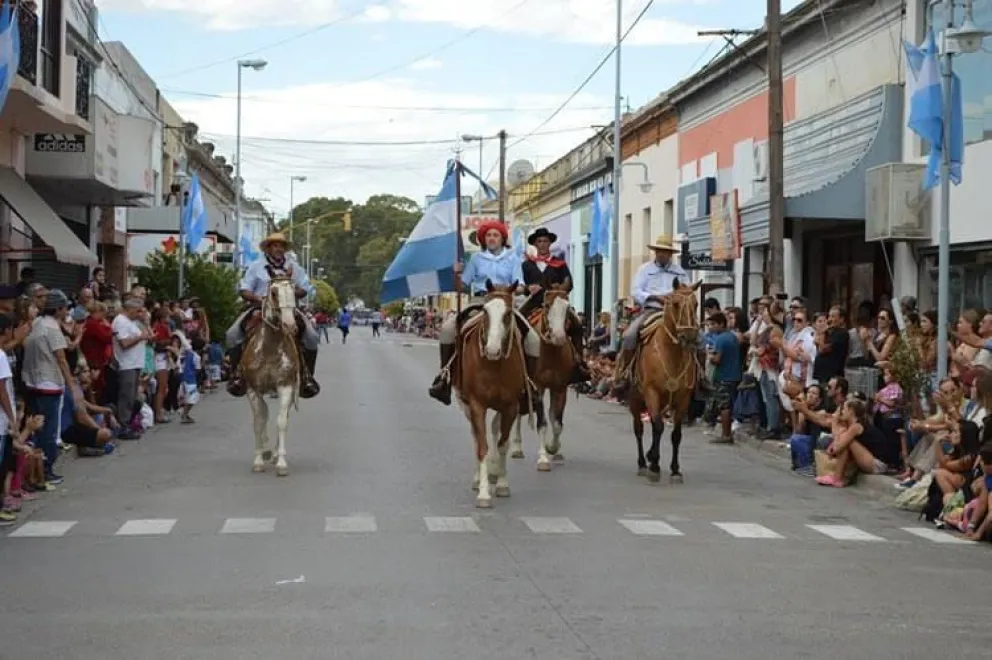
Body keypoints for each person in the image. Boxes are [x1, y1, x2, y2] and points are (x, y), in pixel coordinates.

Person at [428, 219, 539, 406]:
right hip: (480, 302)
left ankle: (529, 386)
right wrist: (457, 274)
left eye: (496, 235)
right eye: (488, 235)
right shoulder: (476, 259)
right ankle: (445, 377)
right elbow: (463, 285)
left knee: (533, 339)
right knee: (447, 330)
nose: (492, 238)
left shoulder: (513, 258)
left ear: (502, 238)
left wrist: (517, 289)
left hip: (505, 303)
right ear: (483, 239)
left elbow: (520, 285)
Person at [225, 232, 320, 399]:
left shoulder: (294, 267)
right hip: (259, 308)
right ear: (268, 248)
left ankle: (307, 377)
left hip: (288, 308)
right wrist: (258, 298)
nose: (279, 249)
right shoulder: (256, 266)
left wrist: (288, 292)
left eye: (281, 246)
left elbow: (304, 288)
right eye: (275, 245)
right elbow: (244, 289)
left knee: (312, 337)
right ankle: (237, 375)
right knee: (232, 334)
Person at [612, 234, 688, 393]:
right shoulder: (645, 270)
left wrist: (674, 297)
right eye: (659, 251)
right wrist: (655, 297)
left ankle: (700, 377)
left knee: (697, 338)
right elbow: (635, 291)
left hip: (675, 312)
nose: (662, 254)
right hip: (651, 310)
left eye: (666, 252)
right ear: (655, 252)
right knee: (630, 335)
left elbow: (686, 290)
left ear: (670, 254)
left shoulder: (679, 272)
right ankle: (625, 373)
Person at [517, 227, 590, 384]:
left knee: (577, 325)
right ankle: (519, 363)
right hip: (534, 303)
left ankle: (578, 363)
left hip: (556, 304)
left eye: (545, 241)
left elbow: (569, 284)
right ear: (535, 244)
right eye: (539, 241)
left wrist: (560, 289)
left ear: (550, 243)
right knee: (516, 323)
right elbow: (520, 285)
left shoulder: (560, 264)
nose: (543, 244)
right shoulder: (527, 265)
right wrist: (528, 288)